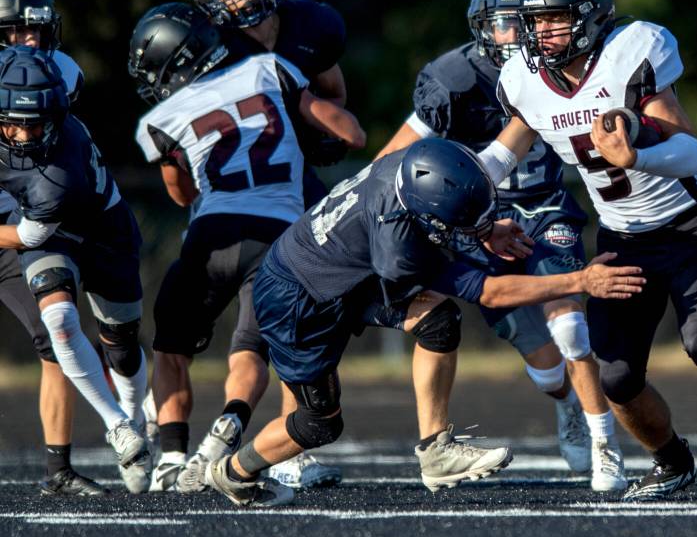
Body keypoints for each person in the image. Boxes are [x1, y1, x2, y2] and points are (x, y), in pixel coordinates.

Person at [204, 137, 646, 507]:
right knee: (320, 423)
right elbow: (491, 292)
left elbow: (444, 209)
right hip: (300, 298)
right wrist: (581, 280)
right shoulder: (401, 250)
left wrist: (485, 227)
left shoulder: (417, 166)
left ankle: (435, 451)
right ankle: (231, 472)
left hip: (341, 268)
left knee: (439, 322)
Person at [480, 0, 697, 501]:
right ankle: (671, 461)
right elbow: (503, 154)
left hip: (688, 225)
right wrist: (459, 192)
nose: (538, 32)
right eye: (534, 21)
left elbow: (690, 151)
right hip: (621, 236)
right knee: (616, 377)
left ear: (590, 17)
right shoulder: (524, 80)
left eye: (553, 19)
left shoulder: (631, 51)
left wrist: (637, 154)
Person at [375, 0, 626, 491]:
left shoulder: (563, 63)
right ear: (483, 26)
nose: (516, 35)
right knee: (544, 365)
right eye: (504, 23)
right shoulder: (455, 80)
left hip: (545, 206)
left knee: (570, 328)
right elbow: (395, 155)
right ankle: (566, 404)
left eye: (527, 21)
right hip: (477, 220)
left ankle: (607, 448)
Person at [129, 3, 365, 492]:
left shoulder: (160, 118)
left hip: (212, 236)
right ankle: (233, 419)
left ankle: (172, 457)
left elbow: (181, 195)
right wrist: (310, 137)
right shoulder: (267, 68)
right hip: (280, 240)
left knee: (171, 352)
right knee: (250, 349)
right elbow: (351, 132)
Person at [183, 0, 356, 488]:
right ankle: (183, 447)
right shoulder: (207, 47)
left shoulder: (309, 25)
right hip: (237, 193)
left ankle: (284, 435)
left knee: (297, 309)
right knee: (241, 322)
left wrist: (310, 124)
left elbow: (335, 94)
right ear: (210, 1)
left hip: (298, 183)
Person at [0, 46, 149, 493]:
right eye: (13, 123)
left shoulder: (57, 175)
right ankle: (118, 425)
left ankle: (136, 414)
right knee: (59, 320)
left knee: (121, 345)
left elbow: (28, 238)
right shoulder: (51, 68)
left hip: (100, 230)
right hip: (46, 232)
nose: (23, 138)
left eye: (35, 125)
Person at [0, 0, 101, 495]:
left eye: (37, 30)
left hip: (17, 227)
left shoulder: (61, 72)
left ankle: (58, 470)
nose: (32, 41)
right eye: (18, 31)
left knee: (53, 335)